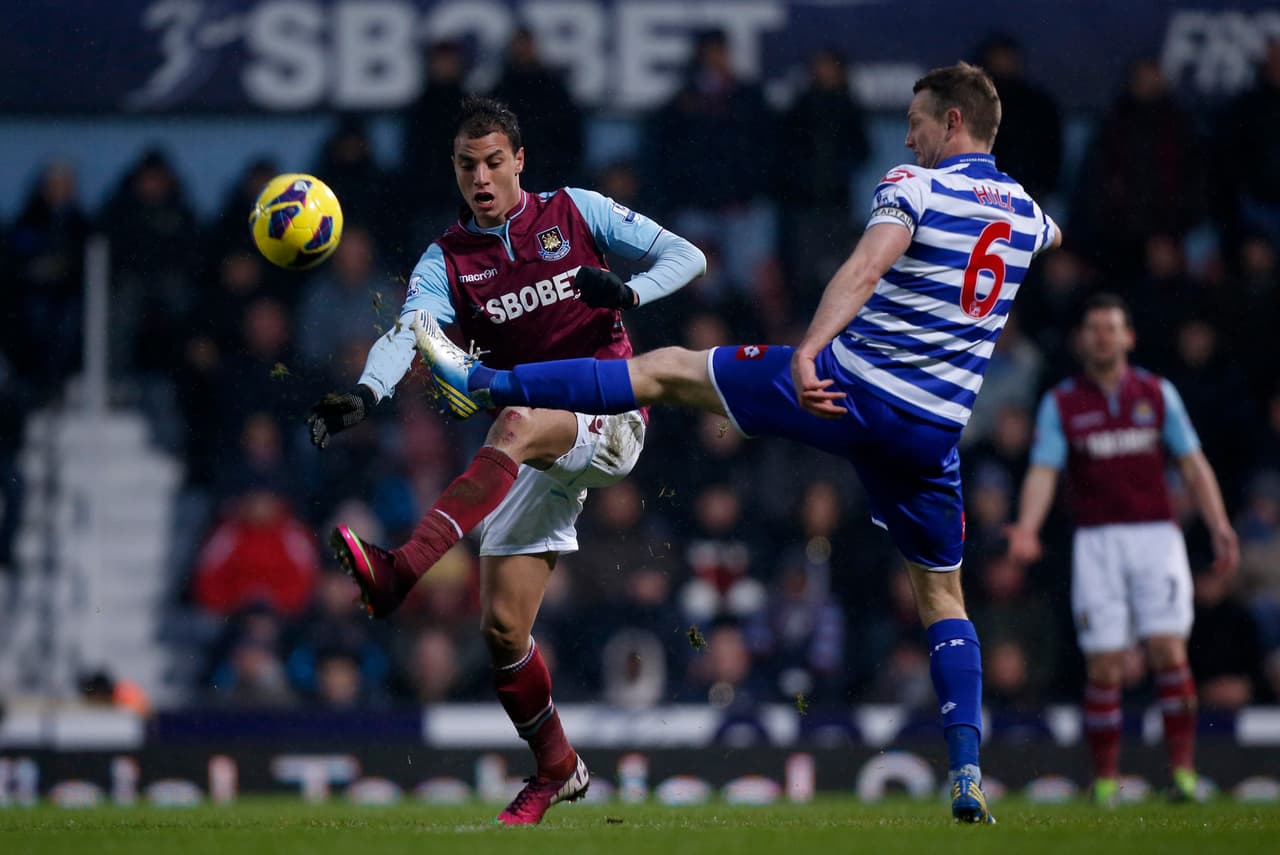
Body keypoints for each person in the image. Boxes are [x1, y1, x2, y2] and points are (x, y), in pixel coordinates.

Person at [413, 62, 1061, 823]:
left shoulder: (913, 186)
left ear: (953, 123)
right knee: (942, 596)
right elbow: (1048, 237)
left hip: (850, 389)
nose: (909, 134)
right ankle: (966, 773)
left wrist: (811, 346)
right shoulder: (1026, 212)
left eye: (919, 120)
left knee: (663, 371)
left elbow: (865, 265)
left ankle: (486, 383)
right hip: (933, 432)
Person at [306, 95, 706, 825]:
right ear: (455, 172)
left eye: (494, 161)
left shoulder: (577, 212)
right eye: (468, 166)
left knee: (513, 419)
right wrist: (365, 391)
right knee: (502, 632)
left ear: (519, 159)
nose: (482, 177)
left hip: (612, 414)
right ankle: (558, 766)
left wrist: (630, 289)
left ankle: (400, 569)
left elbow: (690, 255)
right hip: (540, 448)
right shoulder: (448, 259)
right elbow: (413, 332)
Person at [1004, 293, 1239, 806]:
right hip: (1097, 543)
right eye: (1094, 328)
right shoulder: (1062, 402)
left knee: (1169, 654)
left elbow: (1193, 464)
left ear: (1128, 337)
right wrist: (1026, 527)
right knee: (1105, 665)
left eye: (1112, 328)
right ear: (1082, 339)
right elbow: (1044, 469)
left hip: (1157, 536)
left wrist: (1219, 523)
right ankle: (1106, 782)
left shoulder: (1156, 394)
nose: (1103, 336)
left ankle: (1181, 776)